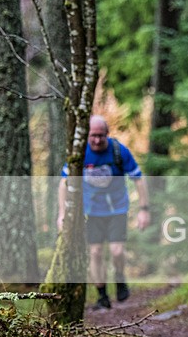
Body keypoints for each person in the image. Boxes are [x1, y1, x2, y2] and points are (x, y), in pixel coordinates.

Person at [57, 115, 150, 309]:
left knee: (117, 251)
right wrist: (62, 213)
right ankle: (102, 295)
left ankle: (120, 277)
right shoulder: (80, 153)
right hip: (91, 211)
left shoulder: (119, 151)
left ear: (107, 134)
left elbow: (139, 180)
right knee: (96, 252)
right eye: (93, 136)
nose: (97, 140)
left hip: (117, 208)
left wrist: (144, 210)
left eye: (101, 135)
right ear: (87, 135)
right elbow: (64, 183)